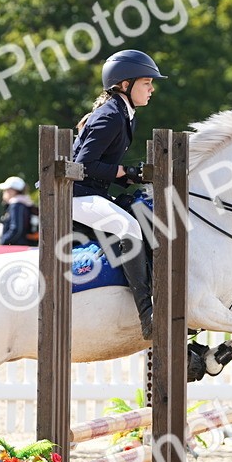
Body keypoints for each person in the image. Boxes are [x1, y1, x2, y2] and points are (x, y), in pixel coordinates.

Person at [71, 49, 166, 339]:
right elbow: (84, 165)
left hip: (89, 192)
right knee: (128, 226)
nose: (151, 88)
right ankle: (147, 315)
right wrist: (125, 172)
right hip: (73, 196)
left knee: (140, 211)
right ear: (125, 84)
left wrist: (132, 174)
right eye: (146, 83)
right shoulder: (111, 115)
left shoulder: (124, 114)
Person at [0, 175, 37, 246]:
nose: (4, 193)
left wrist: (3, 241)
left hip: (17, 248)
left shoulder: (16, 205)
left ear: (13, 191)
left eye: (6, 190)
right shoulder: (25, 204)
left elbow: (16, 229)